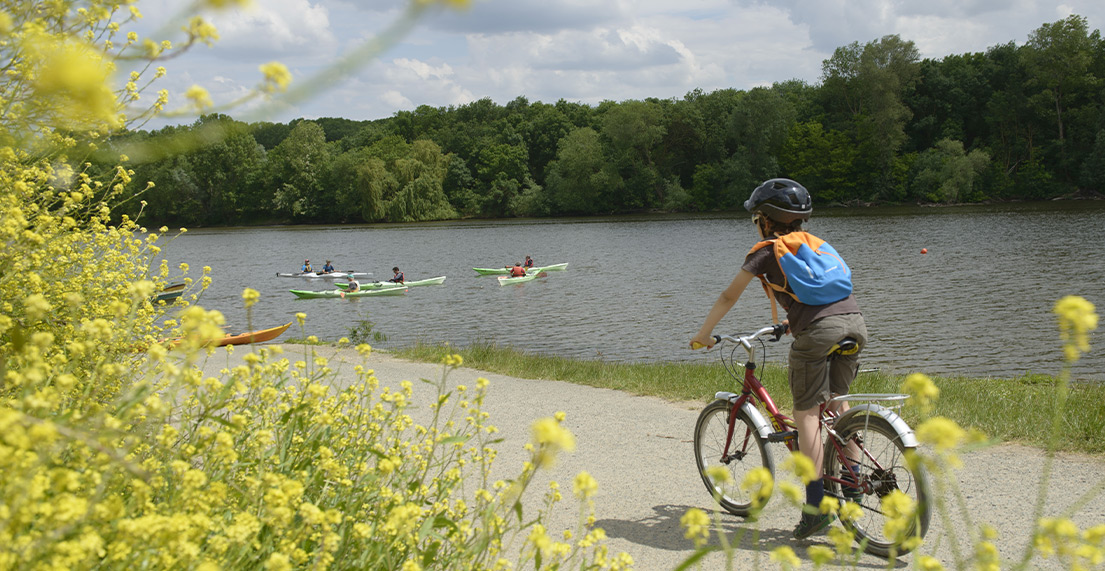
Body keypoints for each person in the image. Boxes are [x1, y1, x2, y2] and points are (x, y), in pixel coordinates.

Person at [689, 178, 867, 541]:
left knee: (807, 415)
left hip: (818, 334)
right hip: (855, 324)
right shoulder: (817, 245)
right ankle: (853, 486)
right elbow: (825, 293)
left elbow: (727, 297)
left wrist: (703, 334)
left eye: (756, 218)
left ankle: (816, 508)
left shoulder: (767, 250)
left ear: (765, 221)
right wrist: (791, 321)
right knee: (837, 403)